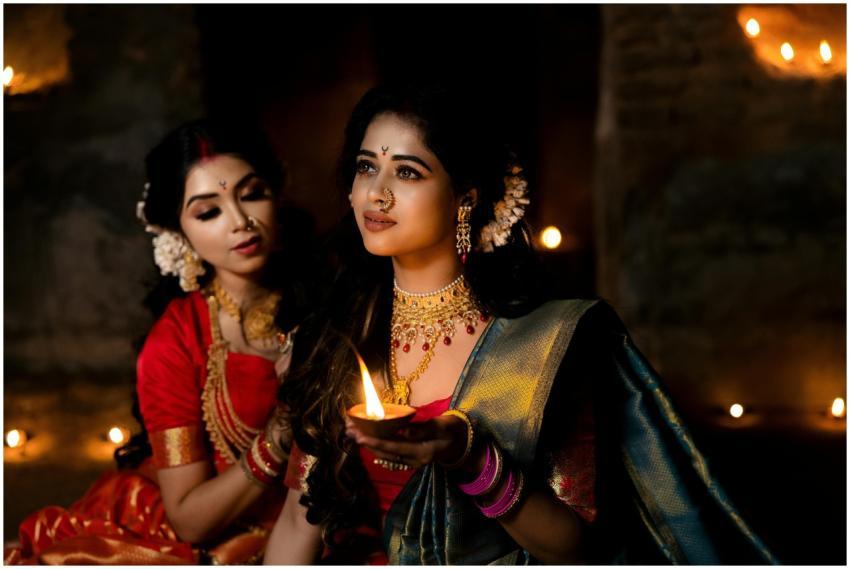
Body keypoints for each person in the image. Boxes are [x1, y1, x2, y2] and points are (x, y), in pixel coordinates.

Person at [264, 85, 777, 565]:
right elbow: (296, 524)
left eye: (407, 172)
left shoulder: (543, 343)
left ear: (465, 196)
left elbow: (574, 549)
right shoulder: (333, 336)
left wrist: (471, 460)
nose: (375, 194)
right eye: (365, 167)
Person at [6, 120, 316, 564]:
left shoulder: (331, 302)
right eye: (208, 212)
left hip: (325, 523)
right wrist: (281, 433)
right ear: (179, 232)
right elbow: (189, 519)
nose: (240, 222)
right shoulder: (176, 343)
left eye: (251, 194)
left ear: (277, 194)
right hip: (213, 538)